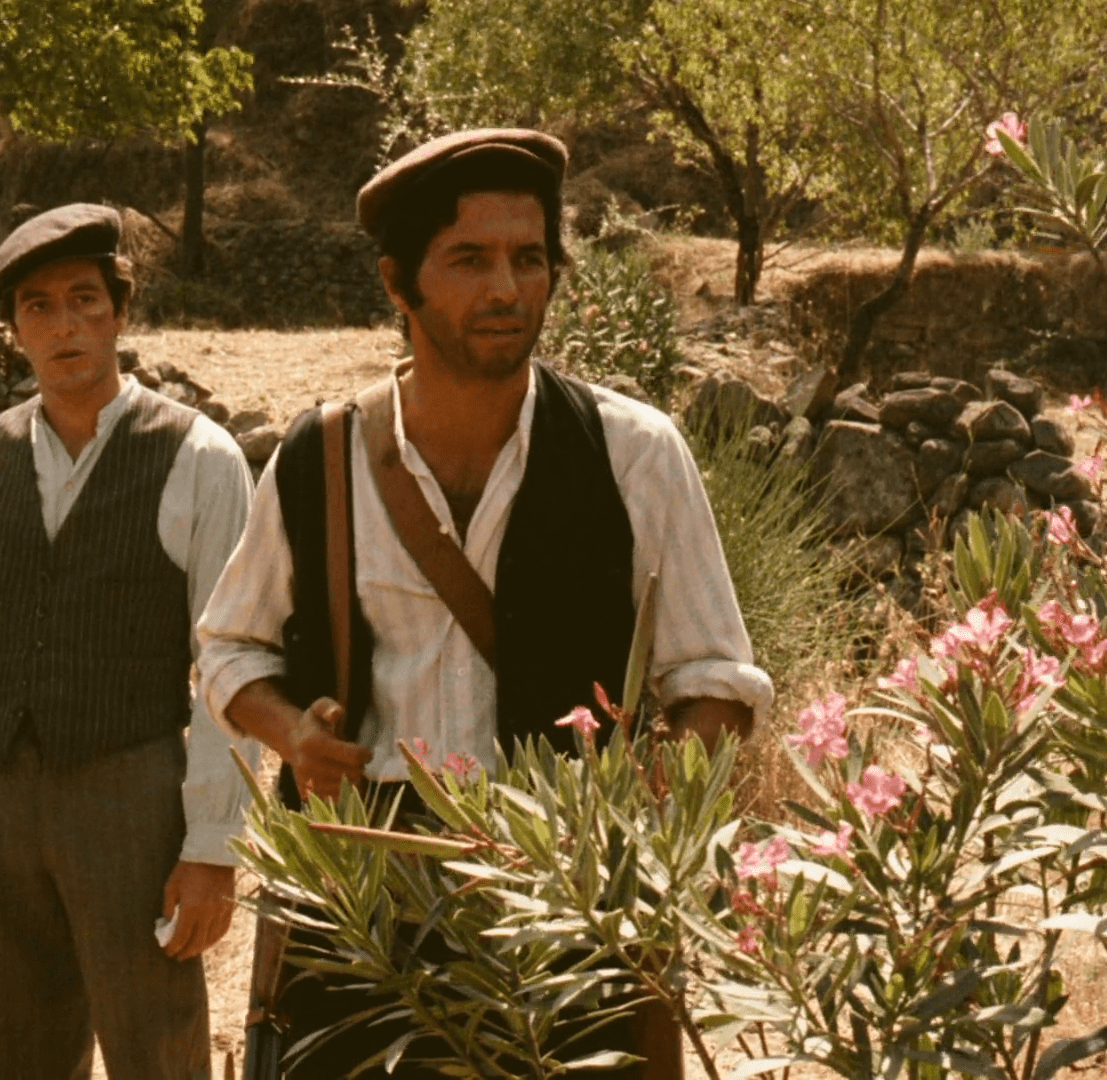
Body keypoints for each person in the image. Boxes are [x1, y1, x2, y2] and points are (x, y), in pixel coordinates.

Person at [196, 128, 774, 1078]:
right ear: (397, 283)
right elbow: (230, 648)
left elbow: (714, 678)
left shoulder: (634, 453)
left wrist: (640, 828)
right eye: (469, 259)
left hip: (566, 914)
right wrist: (295, 735)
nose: (507, 289)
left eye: (528, 258)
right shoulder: (321, 458)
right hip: (365, 911)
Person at [0, 203, 257, 1080]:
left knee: (156, 1045)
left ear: (120, 312)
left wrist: (212, 848)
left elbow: (233, 665)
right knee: (14, 1048)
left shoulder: (199, 459)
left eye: (84, 300)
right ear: (14, 329)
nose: (64, 326)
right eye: (38, 307)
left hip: (128, 794)